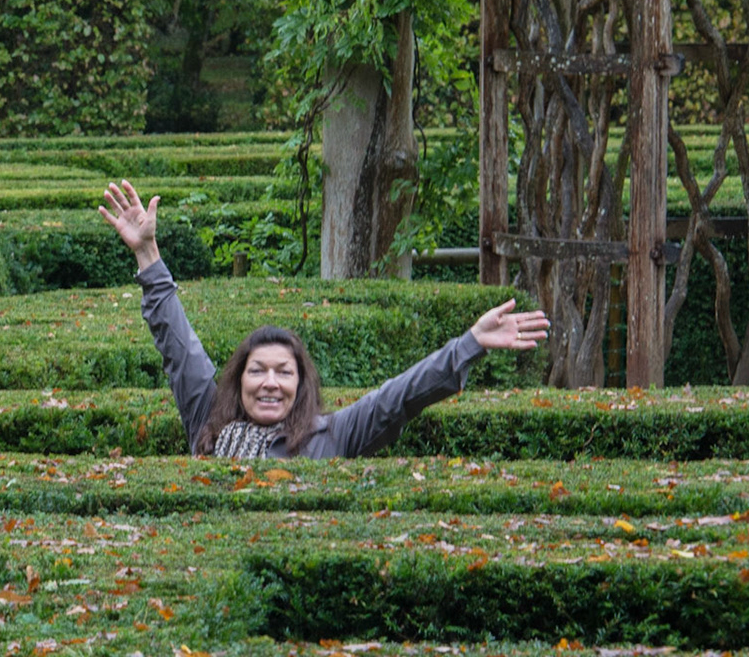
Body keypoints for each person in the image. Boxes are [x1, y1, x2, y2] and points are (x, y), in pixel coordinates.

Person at [98, 180, 550, 459]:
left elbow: (401, 397)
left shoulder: (331, 436)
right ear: (238, 381)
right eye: (257, 371)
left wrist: (470, 342)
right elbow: (179, 347)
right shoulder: (207, 421)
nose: (270, 383)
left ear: (301, 384)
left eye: (283, 372)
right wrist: (146, 253)